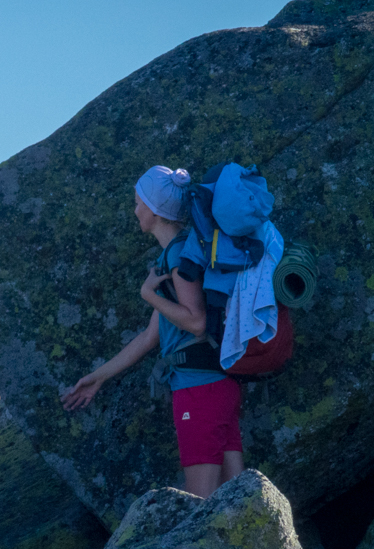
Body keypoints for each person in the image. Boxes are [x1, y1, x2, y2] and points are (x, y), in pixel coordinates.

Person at [60, 165, 243, 498]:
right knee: (236, 499)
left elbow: (196, 321)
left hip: (198, 390)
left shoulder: (178, 257)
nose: (135, 210)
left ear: (156, 211)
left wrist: (147, 295)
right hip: (218, 385)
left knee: (200, 504)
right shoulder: (184, 250)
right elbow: (150, 337)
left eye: (138, 202)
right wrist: (97, 378)